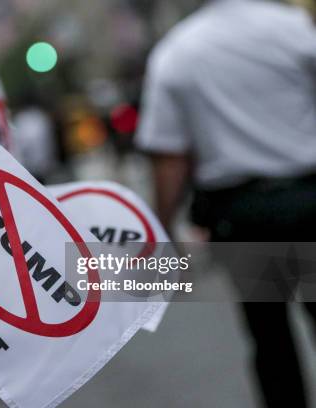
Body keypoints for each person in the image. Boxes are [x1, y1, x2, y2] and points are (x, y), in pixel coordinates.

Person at [136, 1, 316, 407]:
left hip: (244, 219)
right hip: (310, 202)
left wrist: (163, 235)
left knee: (271, 340)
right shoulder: (293, 28)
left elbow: (170, 160)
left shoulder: (177, 53)